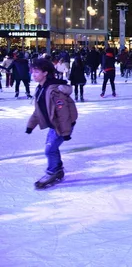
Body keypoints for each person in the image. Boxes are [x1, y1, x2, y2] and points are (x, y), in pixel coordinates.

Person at [26, 58, 78, 189]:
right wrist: (30, 125)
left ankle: (53, 171)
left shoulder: (53, 90)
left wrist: (66, 132)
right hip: (54, 124)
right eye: (32, 71)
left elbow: (63, 113)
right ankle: (58, 169)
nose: (33, 74)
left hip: (62, 125)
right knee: (51, 148)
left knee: (49, 150)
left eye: (36, 72)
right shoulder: (41, 89)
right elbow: (39, 110)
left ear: (45, 73)